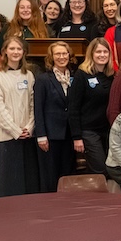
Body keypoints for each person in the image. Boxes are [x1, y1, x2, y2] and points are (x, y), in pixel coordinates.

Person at [0, 37, 39, 198]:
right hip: (6, 137)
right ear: (5, 52)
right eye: (12, 49)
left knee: (27, 183)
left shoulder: (29, 75)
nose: (16, 52)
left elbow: (33, 104)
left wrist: (29, 127)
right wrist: (15, 130)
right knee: (8, 185)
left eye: (19, 49)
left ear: (23, 52)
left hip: (27, 137)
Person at [34, 42, 77, 192]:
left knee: (67, 174)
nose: (61, 57)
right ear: (51, 57)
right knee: (50, 175)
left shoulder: (74, 76)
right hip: (50, 136)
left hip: (69, 134)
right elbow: (38, 108)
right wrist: (41, 135)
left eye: (64, 53)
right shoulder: (43, 79)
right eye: (57, 54)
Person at [70, 39, 115, 176]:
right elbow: (73, 107)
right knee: (99, 168)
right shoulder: (81, 75)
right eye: (98, 51)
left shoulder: (112, 76)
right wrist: (76, 137)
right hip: (88, 131)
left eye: (105, 51)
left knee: (110, 168)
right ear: (91, 54)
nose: (102, 55)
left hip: (108, 131)